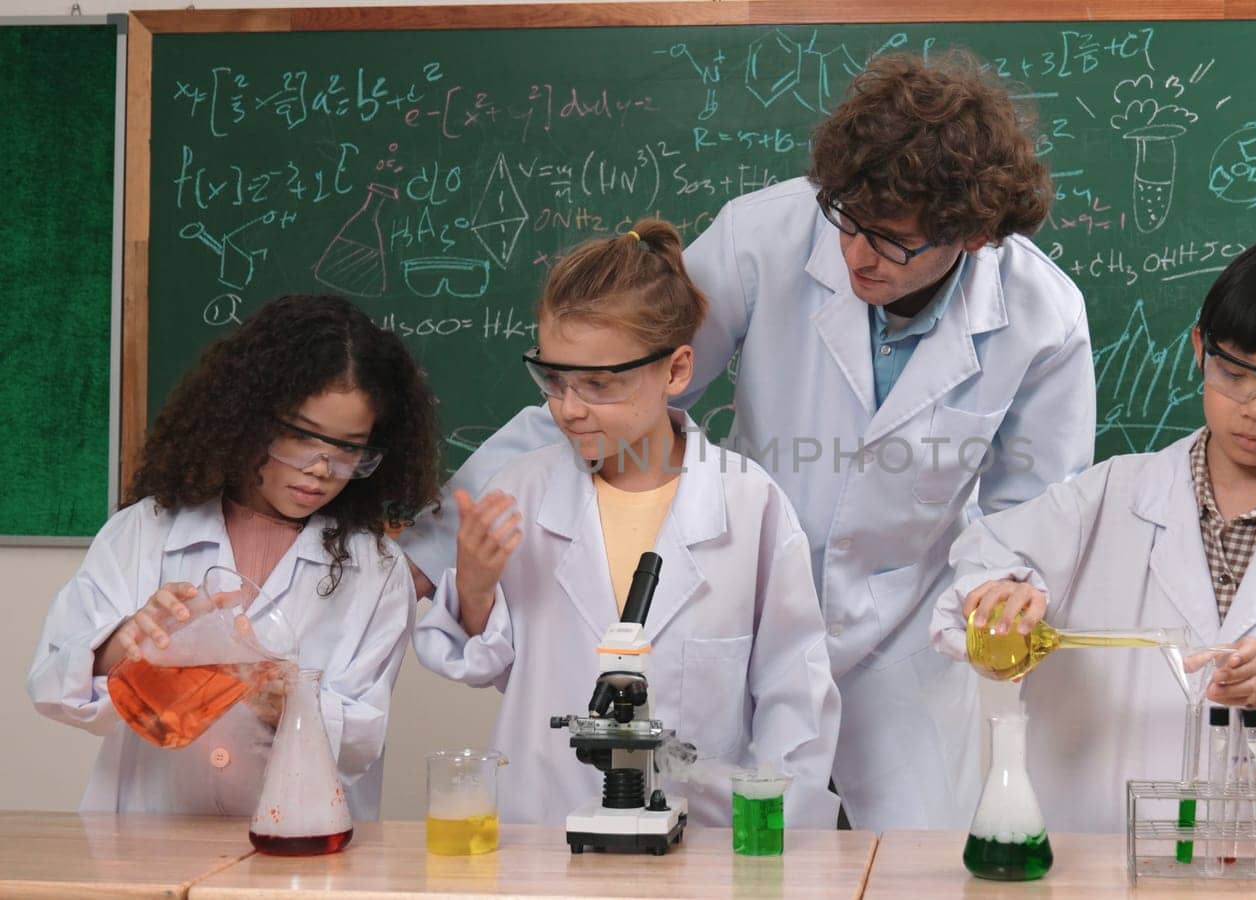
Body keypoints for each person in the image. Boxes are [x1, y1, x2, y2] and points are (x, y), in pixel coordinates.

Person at [402, 51, 1095, 830]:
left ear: (970, 237)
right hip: (739, 605)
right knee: (716, 845)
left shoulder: (1044, 318)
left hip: (901, 645)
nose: (857, 255)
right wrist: (439, 543)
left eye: (893, 242)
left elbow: (1036, 506)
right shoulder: (764, 236)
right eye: (849, 222)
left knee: (917, 864)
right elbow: (615, 379)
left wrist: (1008, 584)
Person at [932, 236, 1256, 832]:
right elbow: (983, 557)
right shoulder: (1107, 495)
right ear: (1201, 347)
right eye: (1235, 373)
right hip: (1095, 838)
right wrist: (1001, 594)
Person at [411, 220, 840, 828]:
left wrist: (767, 832)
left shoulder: (748, 504)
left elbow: (794, 692)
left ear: (676, 370)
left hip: (704, 837)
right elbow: (488, 666)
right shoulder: (521, 492)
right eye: (554, 379)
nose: (568, 408)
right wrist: (476, 589)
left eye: (598, 384)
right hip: (547, 826)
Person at [28, 294, 439, 820]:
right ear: (246, 417)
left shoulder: (375, 570)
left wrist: (285, 698)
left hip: (298, 838)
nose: (320, 468)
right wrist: (121, 643)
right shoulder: (147, 530)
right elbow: (52, 688)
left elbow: (363, 738)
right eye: (299, 436)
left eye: (348, 449)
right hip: (145, 836)